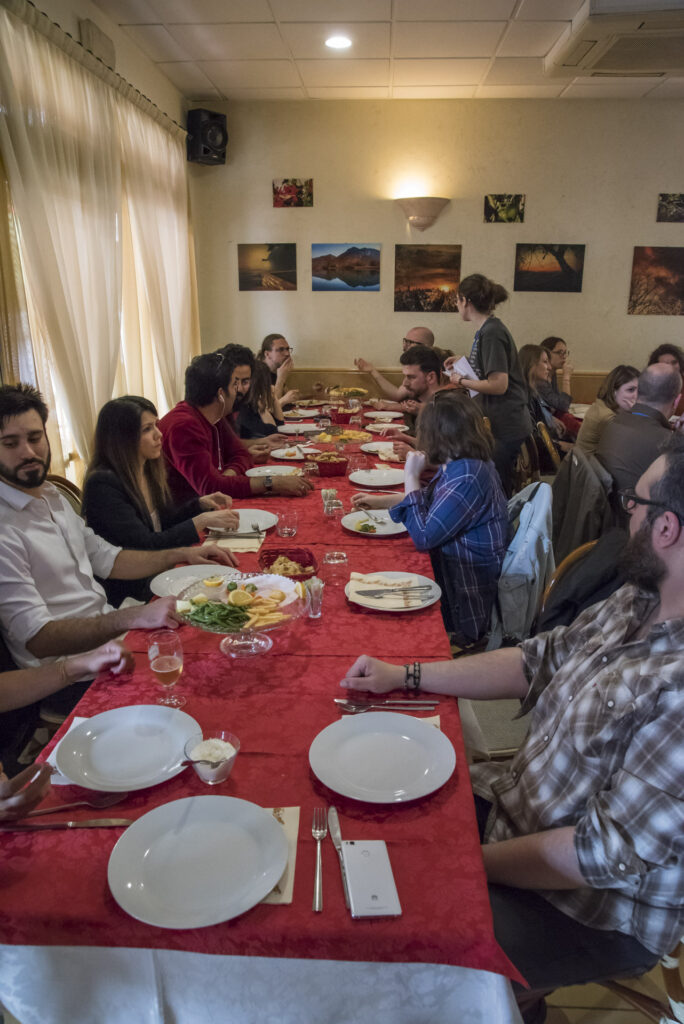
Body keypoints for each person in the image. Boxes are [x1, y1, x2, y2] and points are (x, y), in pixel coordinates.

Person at [341, 437, 684, 1023]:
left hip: (588, 909)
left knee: (387, 941)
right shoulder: (639, 599)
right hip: (518, 812)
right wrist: (407, 675)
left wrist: (466, 860)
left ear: (667, 528)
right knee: (365, 815)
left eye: (635, 501)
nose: (626, 510)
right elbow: (536, 659)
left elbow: (599, 855)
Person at [0, 384, 233, 669]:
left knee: (221, 630)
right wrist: (134, 617)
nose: (28, 452)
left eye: (35, 438)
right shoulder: (6, 527)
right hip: (72, 668)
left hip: (111, 632)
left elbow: (109, 558)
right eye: (10, 444)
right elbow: (36, 639)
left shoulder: (52, 496)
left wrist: (182, 555)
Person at [352, 390, 508, 645]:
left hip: (464, 598)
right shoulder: (462, 462)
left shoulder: (468, 474)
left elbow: (423, 536)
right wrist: (382, 501)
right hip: (452, 575)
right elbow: (434, 499)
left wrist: (411, 476)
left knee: (376, 614)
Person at [82, 396, 240, 605]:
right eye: (147, 429)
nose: (159, 434)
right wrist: (199, 522)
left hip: (161, 572)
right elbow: (144, 545)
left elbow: (162, 522)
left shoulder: (146, 468)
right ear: (123, 438)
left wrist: (199, 505)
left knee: (229, 581)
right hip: (132, 594)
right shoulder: (103, 484)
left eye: (156, 425)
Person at [160, 351, 312, 503]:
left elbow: (242, 454)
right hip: (187, 516)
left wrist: (225, 478)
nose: (238, 390)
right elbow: (210, 488)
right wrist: (272, 482)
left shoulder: (215, 415)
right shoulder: (183, 426)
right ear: (220, 394)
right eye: (234, 385)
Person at [445, 274, 532, 496]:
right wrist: (463, 361)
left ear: (465, 300)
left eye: (457, 300)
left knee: (497, 489)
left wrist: (460, 380)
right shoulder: (487, 330)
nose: (457, 305)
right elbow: (488, 370)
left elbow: (499, 384)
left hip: (504, 425)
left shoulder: (492, 332)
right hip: (497, 422)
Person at [596, 362, 681, 492]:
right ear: (676, 401)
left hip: (606, 506)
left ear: (639, 391)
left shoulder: (615, 422)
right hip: (633, 509)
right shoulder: (667, 443)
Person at [354, 326, 435, 402]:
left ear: (427, 347)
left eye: (411, 343)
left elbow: (437, 407)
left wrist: (401, 407)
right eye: (405, 341)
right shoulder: (412, 366)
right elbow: (398, 395)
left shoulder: (436, 369)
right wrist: (372, 371)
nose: (405, 347)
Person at [575, 365, 639, 456]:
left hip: (590, 465)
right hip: (592, 468)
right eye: (630, 390)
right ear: (614, 392)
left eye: (639, 390)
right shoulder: (607, 418)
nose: (636, 396)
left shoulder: (601, 404)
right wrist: (637, 414)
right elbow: (633, 446)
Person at [236, 359, 285, 440]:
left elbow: (280, 425)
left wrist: (274, 397)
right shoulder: (243, 406)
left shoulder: (252, 402)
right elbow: (273, 433)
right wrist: (263, 409)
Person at [258, 333, 299, 405]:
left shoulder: (277, 370)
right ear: (267, 354)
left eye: (287, 349)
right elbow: (269, 409)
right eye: (281, 349)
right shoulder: (257, 373)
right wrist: (281, 379)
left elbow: (289, 399)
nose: (287, 353)